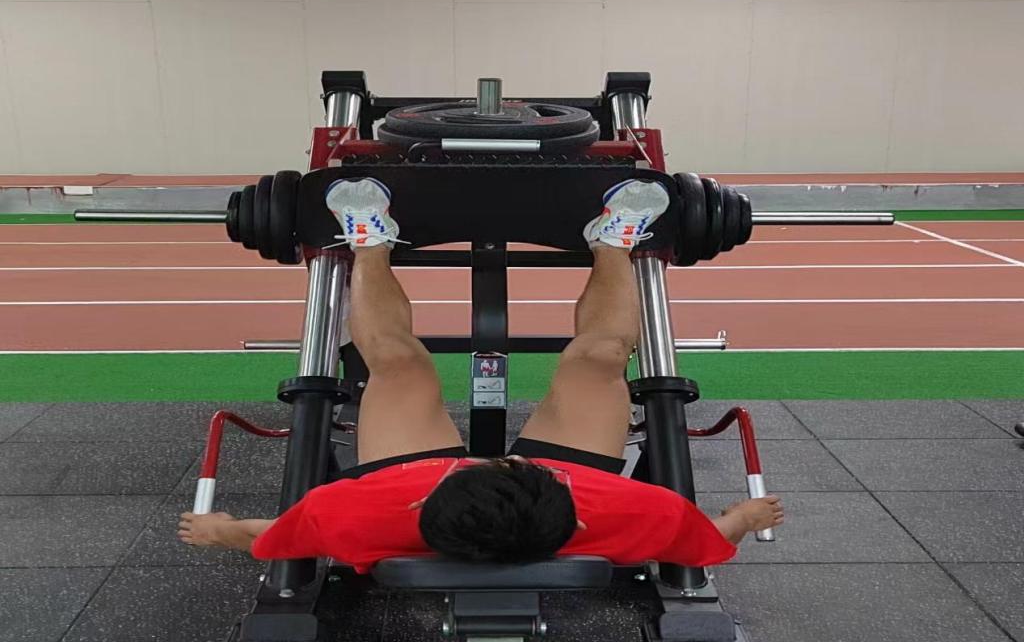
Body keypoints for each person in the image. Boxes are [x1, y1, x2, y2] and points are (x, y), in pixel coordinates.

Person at [179, 178, 783, 568]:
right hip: (556, 488)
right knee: (601, 358)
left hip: (408, 481)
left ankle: (369, 244)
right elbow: (707, 539)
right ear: (572, 512)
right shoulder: (621, 512)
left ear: (428, 497)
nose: (488, 460)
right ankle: (612, 244)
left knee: (395, 362)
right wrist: (744, 518)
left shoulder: (361, 512)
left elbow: (268, 536)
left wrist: (218, 530)